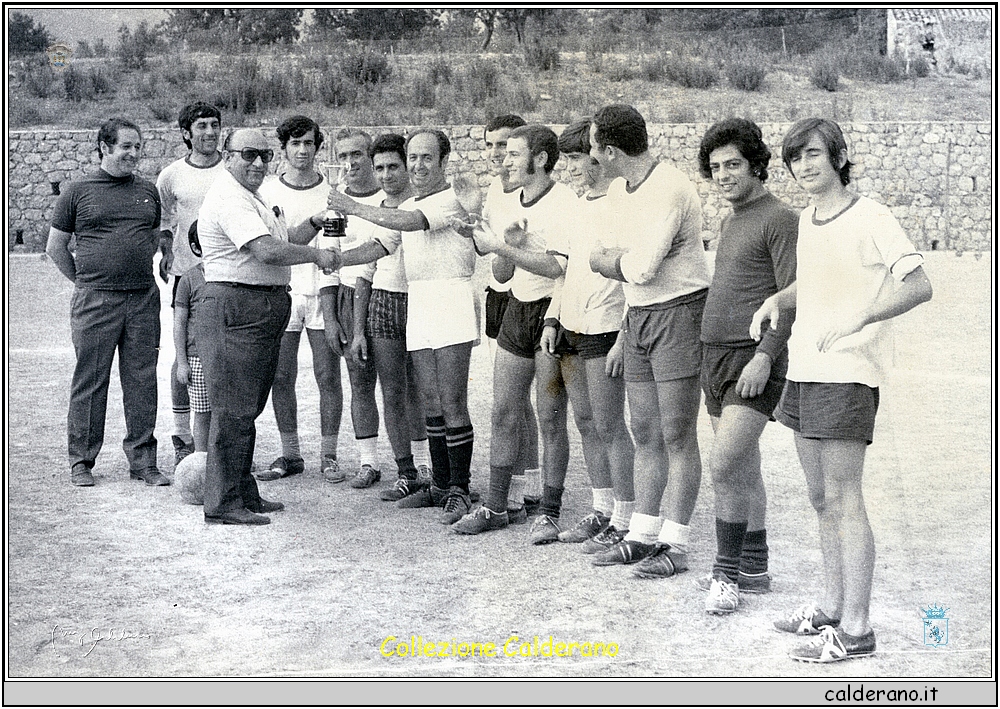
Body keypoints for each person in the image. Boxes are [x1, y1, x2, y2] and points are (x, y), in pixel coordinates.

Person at [751, 118, 932, 662]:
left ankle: (856, 629)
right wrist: (778, 300)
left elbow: (918, 284)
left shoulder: (873, 214)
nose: (804, 167)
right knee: (819, 496)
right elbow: (820, 278)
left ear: (838, 155)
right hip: (805, 366)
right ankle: (830, 608)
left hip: (850, 371)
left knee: (845, 498)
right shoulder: (807, 218)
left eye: (812, 154)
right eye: (794, 160)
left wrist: (859, 318)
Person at [328, 129, 478, 525]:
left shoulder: (451, 200)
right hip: (422, 303)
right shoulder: (410, 203)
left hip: (452, 299)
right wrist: (331, 259)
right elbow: (379, 247)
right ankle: (441, 484)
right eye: (413, 157)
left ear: (444, 161)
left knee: (452, 402)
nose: (418, 165)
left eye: (426, 158)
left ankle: (461, 489)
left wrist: (352, 207)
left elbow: (409, 222)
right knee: (429, 401)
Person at [196, 128, 340, 525]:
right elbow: (266, 250)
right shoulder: (228, 196)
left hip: (255, 306)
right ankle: (224, 503)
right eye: (248, 154)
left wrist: (312, 222)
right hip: (236, 306)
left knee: (248, 406)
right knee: (235, 409)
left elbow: (281, 238)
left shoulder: (250, 197)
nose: (258, 162)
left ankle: (242, 490)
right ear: (227, 156)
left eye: (264, 154)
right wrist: (318, 255)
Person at [588, 105, 710, 574]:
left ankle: (675, 544)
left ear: (611, 150)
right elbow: (613, 261)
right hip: (638, 315)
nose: (594, 159)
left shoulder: (671, 187)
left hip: (679, 312)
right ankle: (642, 534)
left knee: (677, 433)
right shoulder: (619, 189)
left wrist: (612, 259)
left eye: (596, 149)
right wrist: (623, 325)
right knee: (645, 431)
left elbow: (637, 266)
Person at [450, 125, 578, 543]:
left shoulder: (563, 201)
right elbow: (502, 272)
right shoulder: (508, 199)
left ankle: (550, 510)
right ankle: (496, 506)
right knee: (503, 410)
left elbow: (556, 267)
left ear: (540, 159)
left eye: (513, 154)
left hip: (553, 313)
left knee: (550, 415)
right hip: (517, 307)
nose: (504, 160)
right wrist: (503, 243)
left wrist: (504, 247)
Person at [692, 118, 799, 613]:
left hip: (751, 358)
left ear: (756, 164)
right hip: (712, 354)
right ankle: (754, 566)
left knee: (724, 464)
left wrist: (764, 355)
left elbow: (791, 299)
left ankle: (725, 575)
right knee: (743, 466)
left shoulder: (781, 218)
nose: (723, 175)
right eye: (715, 168)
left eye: (733, 164)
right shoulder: (731, 219)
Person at [46, 117, 169, 488]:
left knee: (142, 380)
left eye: (137, 147)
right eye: (126, 146)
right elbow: (55, 248)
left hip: (143, 299)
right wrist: (87, 283)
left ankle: (144, 461)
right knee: (91, 379)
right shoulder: (78, 191)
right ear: (105, 146)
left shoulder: (148, 190)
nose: (133, 153)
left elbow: (153, 236)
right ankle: (81, 460)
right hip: (96, 301)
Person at [542, 119, 636, 549]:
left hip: (605, 326)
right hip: (572, 326)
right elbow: (566, 272)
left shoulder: (622, 204)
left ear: (599, 156)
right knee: (586, 421)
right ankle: (602, 510)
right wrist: (552, 319)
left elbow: (635, 277)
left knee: (611, 424)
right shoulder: (576, 206)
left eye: (577, 158)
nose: (571, 168)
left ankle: (626, 516)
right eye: (568, 160)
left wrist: (622, 336)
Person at [338, 133, 432, 501]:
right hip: (385, 305)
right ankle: (406, 471)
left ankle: (429, 466)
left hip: (424, 301)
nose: (387, 174)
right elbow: (365, 272)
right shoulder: (377, 209)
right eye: (380, 168)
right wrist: (358, 329)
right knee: (392, 391)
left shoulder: (423, 204)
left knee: (424, 391)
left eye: (394, 166)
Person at [256, 116, 344, 483]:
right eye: (295, 144)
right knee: (281, 374)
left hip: (322, 291)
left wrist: (332, 302)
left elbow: (335, 248)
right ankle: (290, 454)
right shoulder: (269, 191)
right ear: (284, 149)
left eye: (309, 143)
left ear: (318, 146)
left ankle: (329, 455)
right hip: (284, 292)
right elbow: (272, 245)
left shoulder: (333, 192)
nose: (303, 150)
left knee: (327, 375)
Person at [155, 103, 226, 467]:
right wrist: (168, 252)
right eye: (202, 126)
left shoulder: (232, 171)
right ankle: (183, 436)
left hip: (228, 273)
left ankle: (220, 437)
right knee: (184, 354)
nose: (210, 132)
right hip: (188, 274)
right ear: (186, 132)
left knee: (223, 355)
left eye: (215, 125)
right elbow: (165, 220)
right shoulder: (170, 176)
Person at [480, 114, 542, 513]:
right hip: (499, 294)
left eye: (505, 146)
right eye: (490, 146)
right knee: (510, 401)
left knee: (530, 402)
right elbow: (491, 255)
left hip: (535, 299)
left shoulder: (538, 192)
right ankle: (518, 486)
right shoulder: (492, 192)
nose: (497, 155)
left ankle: (531, 485)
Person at [322, 128, 384, 488]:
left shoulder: (389, 195)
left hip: (387, 293)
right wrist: (330, 318)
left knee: (403, 384)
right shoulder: (336, 202)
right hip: (349, 298)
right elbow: (329, 262)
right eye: (343, 156)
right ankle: (369, 462)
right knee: (360, 382)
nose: (350, 163)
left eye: (357, 154)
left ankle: (420, 464)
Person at [172, 222, 211, 453]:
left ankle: (226, 460)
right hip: (197, 359)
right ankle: (202, 459)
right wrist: (183, 362)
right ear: (197, 248)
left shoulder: (232, 275)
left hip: (226, 355)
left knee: (226, 413)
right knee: (203, 414)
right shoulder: (188, 279)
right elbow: (179, 323)